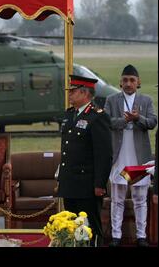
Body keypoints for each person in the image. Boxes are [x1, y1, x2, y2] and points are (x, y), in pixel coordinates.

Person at [104, 64, 157, 247]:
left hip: (139, 157)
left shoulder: (146, 100)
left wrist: (137, 118)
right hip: (119, 156)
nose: (128, 83)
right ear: (120, 82)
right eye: (125, 80)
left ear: (138, 82)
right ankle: (116, 237)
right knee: (117, 198)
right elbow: (106, 121)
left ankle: (141, 236)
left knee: (140, 199)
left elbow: (152, 122)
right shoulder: (112, 100)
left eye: (132, 80)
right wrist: (123, 120)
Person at [57, 75, 113, 247]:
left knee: (90, 228)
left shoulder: (97, 117)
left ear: (84, 93)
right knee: (72, 228)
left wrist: (100, 184)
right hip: (70, 183)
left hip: (87, 185)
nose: (70, 95)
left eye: (73, 92)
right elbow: (67, 150)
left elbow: (104, 154)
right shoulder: (69, 115)